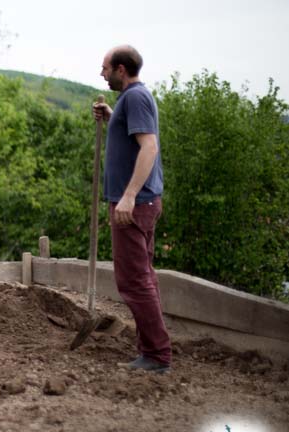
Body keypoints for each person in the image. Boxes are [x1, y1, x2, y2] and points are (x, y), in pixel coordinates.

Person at [93, 45, 171, 373]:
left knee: (134, 281)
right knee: (143, 277)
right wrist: (114, 118)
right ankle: (151, 350)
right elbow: (133, 138)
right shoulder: (130, 100)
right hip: (141, 202)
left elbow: (149, 146)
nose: (101, 73)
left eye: (105, 67)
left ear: (121, 70)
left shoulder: (136, 97)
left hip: (134, 205)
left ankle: (156, 355)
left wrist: (128, 196)